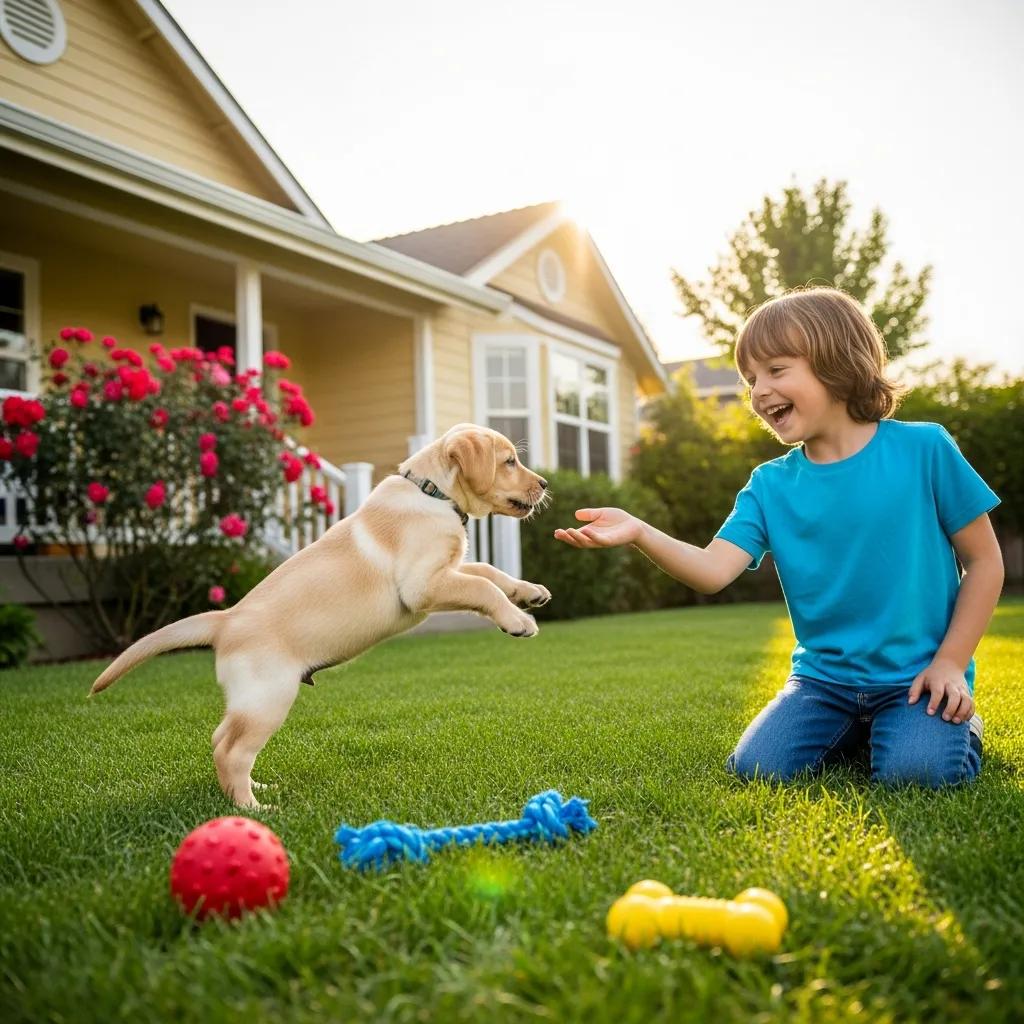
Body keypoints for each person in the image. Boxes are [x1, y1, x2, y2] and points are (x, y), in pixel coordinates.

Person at [554, 288, 1004, 787]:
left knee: (916, 775)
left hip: (917, 679)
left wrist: (949, 663)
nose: (758, 391)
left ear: (836, 361)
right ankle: (863, 730)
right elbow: (711, 571)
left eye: (775, 370)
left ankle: (950, 726)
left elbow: (985, 562)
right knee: (758, 769)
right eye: (750, 379)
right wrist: (639, 531)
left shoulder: (925, 449)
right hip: (822, 683)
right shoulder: (769, 485)